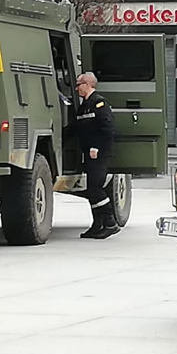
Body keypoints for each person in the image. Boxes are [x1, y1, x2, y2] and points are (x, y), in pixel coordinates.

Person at [74, 72, 120, 239]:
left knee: (95, 188)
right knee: (91, 189)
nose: (77, 87)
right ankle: (97, 224)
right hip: (89, 154)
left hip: (99, 154)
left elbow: (108, 129)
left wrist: (96, 147)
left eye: (79, 84)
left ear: (88, 84)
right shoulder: (84, 105)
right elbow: (77, 128)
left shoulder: (99, 103)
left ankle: (110, 223)